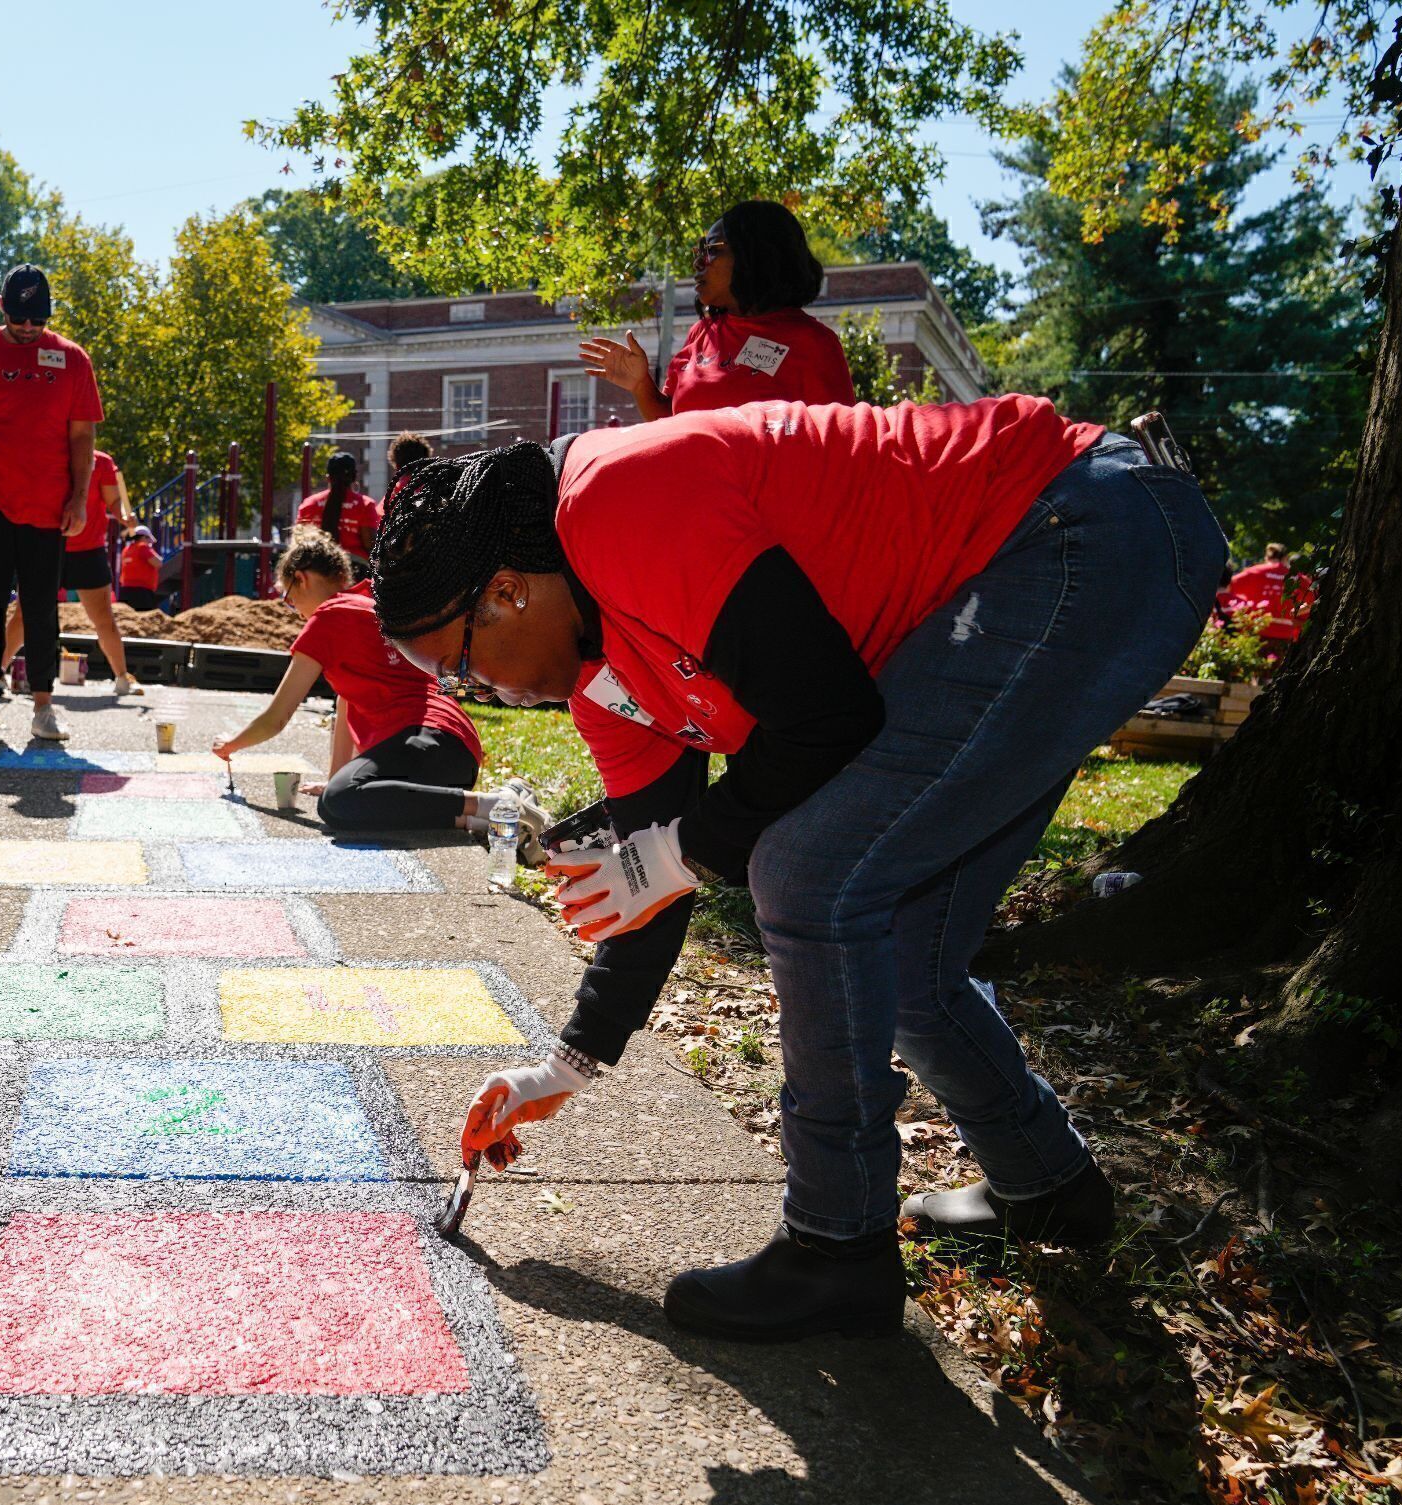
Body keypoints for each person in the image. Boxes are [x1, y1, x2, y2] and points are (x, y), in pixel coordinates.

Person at [369, 395, 1224, 1342]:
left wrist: (680, 851)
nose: (472, 693)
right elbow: (650, 888)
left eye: (458, 666)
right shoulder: (602, 683)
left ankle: (837, 1247)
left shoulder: (615, 499)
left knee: (810, 874)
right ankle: (1049, 1186)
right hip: (1041, 568)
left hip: (1082, 529)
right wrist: (562, 1065)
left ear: (504, 591)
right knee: (901, 949)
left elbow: (823, 717)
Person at [213, 535, 544, 840]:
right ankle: (489, 820)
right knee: (349, 800)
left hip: (421, 741)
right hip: (457, 754)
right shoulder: (373, 602)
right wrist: (337, 775)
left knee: (337, 803)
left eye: (288, 598)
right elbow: (346, 703)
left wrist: (231, 744)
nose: (295, 611)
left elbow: (278, 717)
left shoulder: (328, 618)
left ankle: (501, 803)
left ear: (302, 578)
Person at [0, 263, 103, 743]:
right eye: (20, 319)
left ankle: (44, 707)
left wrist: (79, 498)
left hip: (48, 503)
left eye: (39, 320)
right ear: (2, 309)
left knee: (40, 607)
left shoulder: (72, 359)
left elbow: (82, 435)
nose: (30, 328)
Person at [577, 199, 855, 420]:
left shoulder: (814, 343)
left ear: (755, 254)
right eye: (698, 252)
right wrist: (641, 385)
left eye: (711, 249)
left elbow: (838, 445)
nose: (698, 263)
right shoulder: (701, 335)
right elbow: (670, 426)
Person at [1, 446, 144, 696]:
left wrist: (125, 516)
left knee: (103, 618)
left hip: (88, 549)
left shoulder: (101, 462)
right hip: (46, 544)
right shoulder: (45, 453)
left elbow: (115, 501)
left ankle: (122, 677)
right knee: (24, 614)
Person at [1221, 542, 1317, 645]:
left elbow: (1226, 588)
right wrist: (1297, 611)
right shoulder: (1297, 577)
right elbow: (1316, 599)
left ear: (1267, 557)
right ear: (1285, 557)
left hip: (1257, 630)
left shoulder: (1254, 572)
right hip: (1285, 634)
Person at [295, 451, 383, 560]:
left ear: (328, 477)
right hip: (355, 571)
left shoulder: (309, 504)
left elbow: (298, 543)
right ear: (354, 477)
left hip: (315, 567)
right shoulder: (365, 505)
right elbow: (370, 545)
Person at [117, 526, 164, 612]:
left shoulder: (126, 550)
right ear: (143, 537)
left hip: (125, 591)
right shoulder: (142, 547)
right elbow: (158, 563)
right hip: (142, 592)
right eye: (148, 538)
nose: (150, 542)